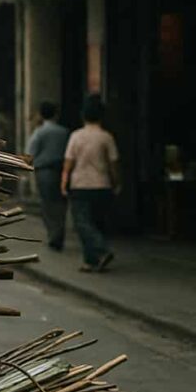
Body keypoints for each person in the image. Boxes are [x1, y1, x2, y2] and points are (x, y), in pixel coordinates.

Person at [62, 94, 119, 272]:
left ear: (83, 116)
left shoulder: (76, 136)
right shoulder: (106, 137)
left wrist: (64, 181)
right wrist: (116, 182)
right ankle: (91, 261)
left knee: (82, 224)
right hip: (102, 185)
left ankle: (101, 250)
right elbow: (113, 164)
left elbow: (68, 163)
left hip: (80, 185)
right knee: (98, 223)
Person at [26, 101, 70, 251]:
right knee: (61, 203)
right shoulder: (64, 132)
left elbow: (30, 152)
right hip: (62, 170)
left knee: (47, 204)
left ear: (41, 114)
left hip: (44, 171)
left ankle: (53, 235)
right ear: (55, 114)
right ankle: (59, 233)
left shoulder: (39, 132)